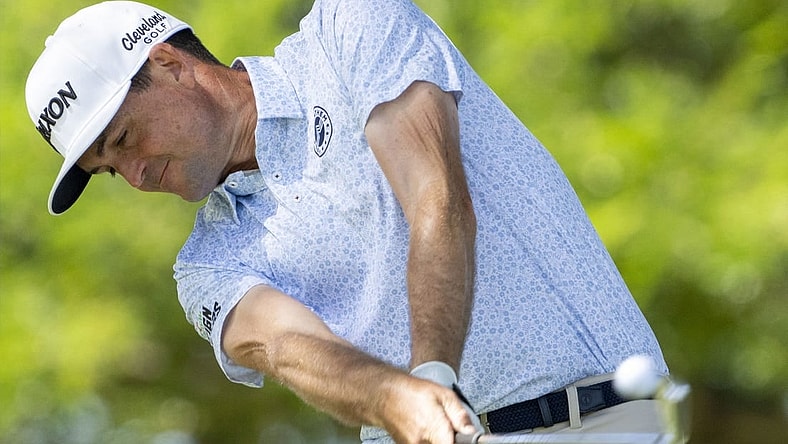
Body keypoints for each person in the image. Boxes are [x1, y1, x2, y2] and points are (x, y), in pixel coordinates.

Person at [25, 1, 670, 443]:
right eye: (110, 170)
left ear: (168, 63)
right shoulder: (206, 264)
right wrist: (397, 401)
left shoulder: (351, 28)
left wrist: (431, 378)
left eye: (125, 138)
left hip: (610, 422)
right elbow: (285, 345)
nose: (135, 176)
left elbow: (435, 198)